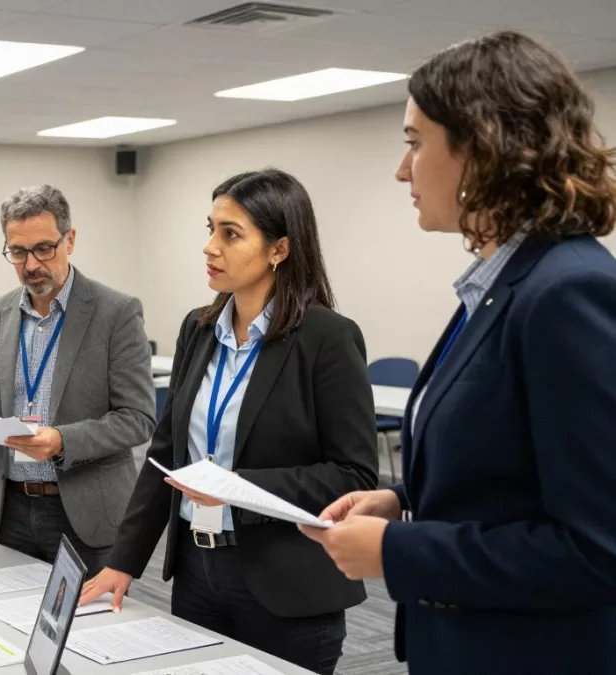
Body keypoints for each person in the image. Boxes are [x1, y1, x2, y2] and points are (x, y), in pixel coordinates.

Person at [302, 32, 616, 675]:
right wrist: (404, 501)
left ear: (482, 148)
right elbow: (507, 478)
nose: (400, 169)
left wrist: (399, 551)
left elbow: (597, 551)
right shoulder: (502, 284)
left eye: (415, 143)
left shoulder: (567, 291)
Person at [80, 169, 379, 675]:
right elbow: (165, 455)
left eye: (230, 233)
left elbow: (355, 478)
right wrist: (124, 559)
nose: (209, 247)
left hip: (288, 585)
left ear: (279, 249)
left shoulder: (327, 338)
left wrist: (239, 487)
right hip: (198, 573)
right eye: (210, 228)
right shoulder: (198, 330)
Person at [0, 185, 156, 575]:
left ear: (70, 240)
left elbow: (138, 418)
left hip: (85, 514)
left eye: (44, 249)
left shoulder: (115, 312)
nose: (31, 264)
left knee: (92, 633)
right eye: (17, 252)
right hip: (9, 511)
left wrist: (63, 441)